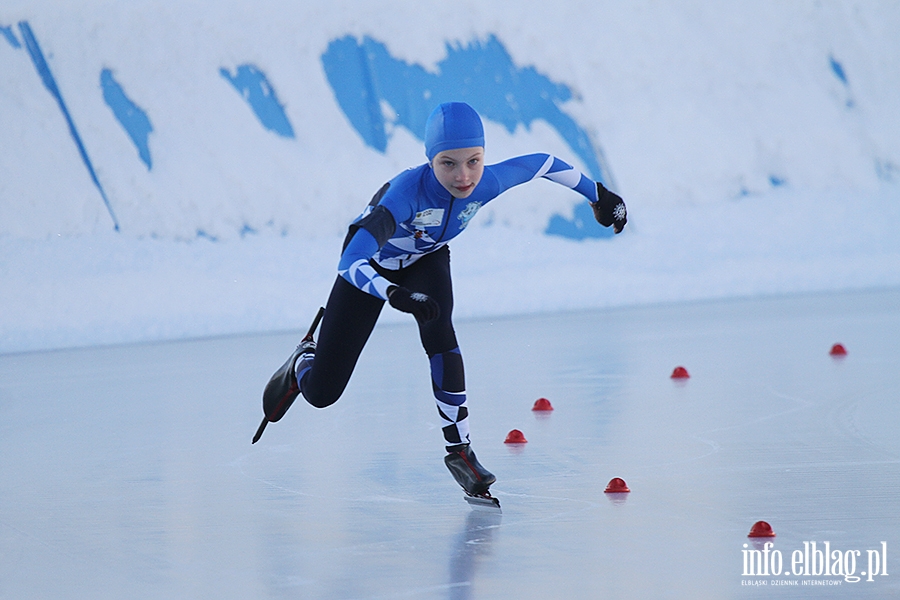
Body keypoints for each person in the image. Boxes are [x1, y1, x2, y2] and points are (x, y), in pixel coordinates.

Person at [259, 101, 626, 500]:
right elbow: (349, 261)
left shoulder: (488, 181)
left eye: (474, 161)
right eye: (448, 164)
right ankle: (302, 365)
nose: (464, 176)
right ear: (430, 160)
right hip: (373, 271)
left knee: (442, 335)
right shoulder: (405, 194)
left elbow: (543, 163)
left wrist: (599, 196)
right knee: (323, 394)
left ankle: (460, 452)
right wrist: (393, 292)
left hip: (426, 260)